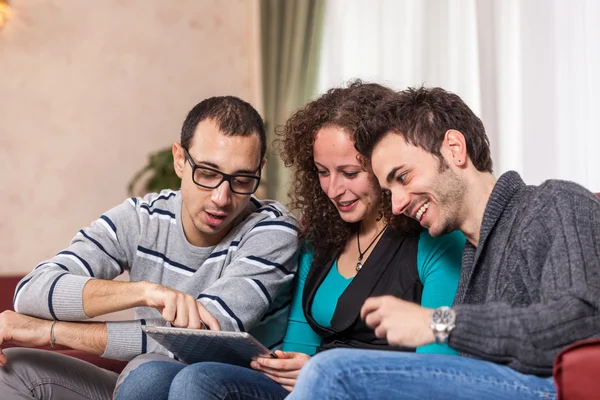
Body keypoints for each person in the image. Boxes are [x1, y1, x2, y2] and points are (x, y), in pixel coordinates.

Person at [120, 81, 466, 400]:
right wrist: (285, 362)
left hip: (368, 389)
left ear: (381, 164)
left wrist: (323, 371)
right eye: (322, 172)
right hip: (306, 388)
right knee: (150, 377)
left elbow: (435, 372)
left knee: (198, 381)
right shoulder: (321, 240)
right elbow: (300, 344)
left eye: (349, 173)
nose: (333, 189)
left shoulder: (434, 241)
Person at [288, 86, 600, 400]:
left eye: (404, 177)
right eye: (388, 191)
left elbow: (580, 322)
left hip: (551, 390)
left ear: (454, 148)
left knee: (332, 371)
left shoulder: (555, 203)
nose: (396, 205)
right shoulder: (472, 261)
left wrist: (438, 322)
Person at [0, 96, 300, 400]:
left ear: (259, 170)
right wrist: (144, 291)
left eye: (242, 180)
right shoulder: (141, 218)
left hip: (227, 387)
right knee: (11, 370)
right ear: (180, 160)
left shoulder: (272, 231)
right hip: (149, 383)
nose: (222, 198)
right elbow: (31, 292)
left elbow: (201, 342)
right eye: (207, 173)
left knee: (151, 373)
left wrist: (51, 332)